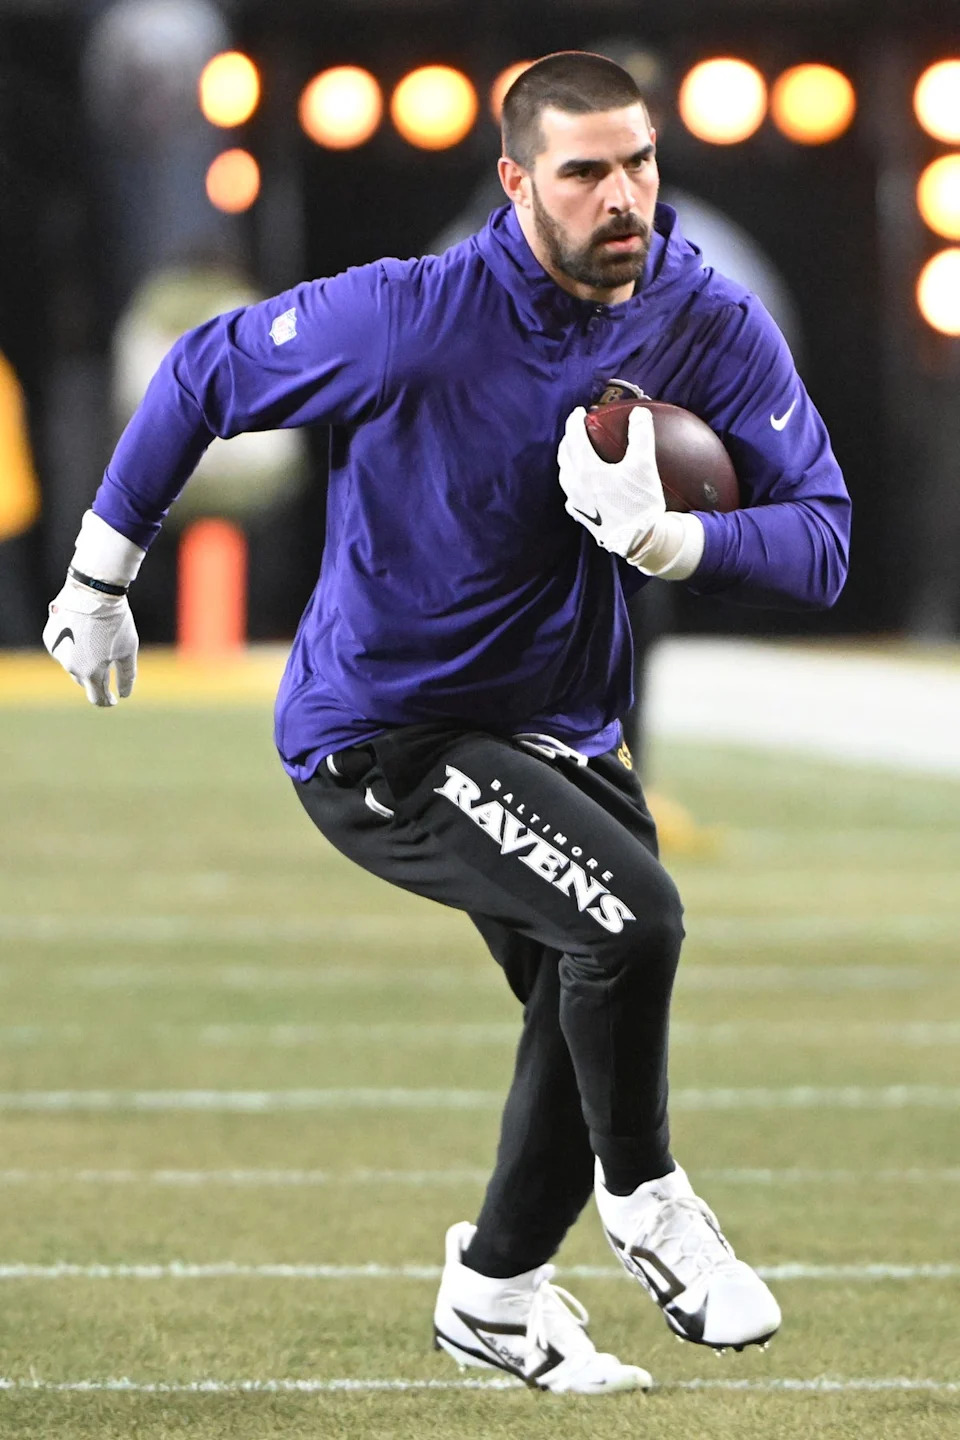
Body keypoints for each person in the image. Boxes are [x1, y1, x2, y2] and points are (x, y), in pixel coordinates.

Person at [43, 51, 850, 1395]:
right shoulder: (418, 314)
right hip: (388, 735)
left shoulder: (701, 314)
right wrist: (99, 575)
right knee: (630, 923)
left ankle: (493, 1295)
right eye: (585, 170)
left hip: (558, 735)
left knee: (578, 1000)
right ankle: (649, 1201)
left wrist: (677, 540)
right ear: (518, 179)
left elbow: (821, 539)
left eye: (639, 162)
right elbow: (200, 370)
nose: (622, 197)